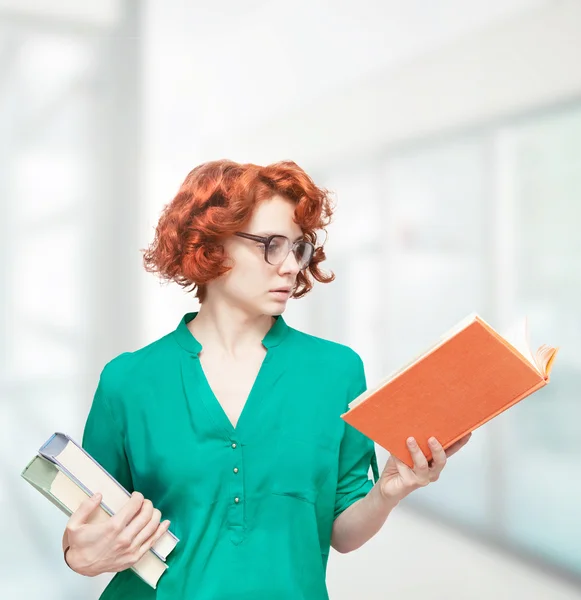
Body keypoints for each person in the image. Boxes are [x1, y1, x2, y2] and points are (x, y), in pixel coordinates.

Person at [61, 159, 471, 599]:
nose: (291, 266)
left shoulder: (336, 371)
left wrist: (391, 490)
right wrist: (77, 555)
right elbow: (90, 527)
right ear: (211, 244)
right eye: (272, 244)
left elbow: (342, 533)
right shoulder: (129, 380)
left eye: (299, 248)